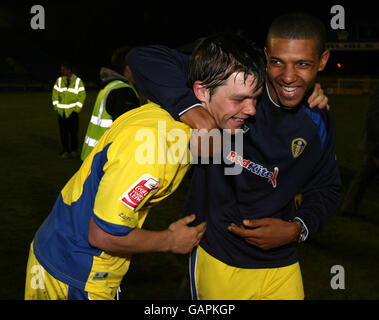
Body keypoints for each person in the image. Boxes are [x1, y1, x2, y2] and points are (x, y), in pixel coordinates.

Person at [24, 33, 266, 300]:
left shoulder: (172, 114)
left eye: (255, 98)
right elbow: (102, 235)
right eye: (239, 99)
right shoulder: (155, 149)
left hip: (57, 255)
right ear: (201, 91)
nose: (252, 109)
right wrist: (170, 240)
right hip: (76, 273)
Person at [126, 12, 341, 300]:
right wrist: (191, 109)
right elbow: (143, 58)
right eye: (277, 62)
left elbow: (326, 188)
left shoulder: (318, 121)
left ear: (323, 61)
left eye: (303, 64)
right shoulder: (238, 85)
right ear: (266, 57)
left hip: (283, 261)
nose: (288, 76)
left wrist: (297, 230)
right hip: (218, 252)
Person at [81, 47, 147, 161]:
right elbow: (129, 133)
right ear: (128, 68)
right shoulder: (124, 91)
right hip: (104, 160)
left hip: (93, 157)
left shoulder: (110, 86)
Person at [341, 86, 379, 217]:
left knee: (364, 175)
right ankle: (348, 206)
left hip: (374, 142)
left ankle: (348, 206)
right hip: (375, 143)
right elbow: (373, 118)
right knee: (364, 176)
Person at [52, 62, 86, 159]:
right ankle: (65, 150)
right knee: (63, 133)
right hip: (61, 112)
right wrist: (57, 107)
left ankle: (74, 150)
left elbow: (82, 95)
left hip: (72, 112)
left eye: (64, 69)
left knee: (73, 133)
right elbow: (55, 94)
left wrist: (77, 109)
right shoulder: (59, 81)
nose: (62, 71)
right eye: (61, 70)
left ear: (69, 70)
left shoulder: (78, 81)